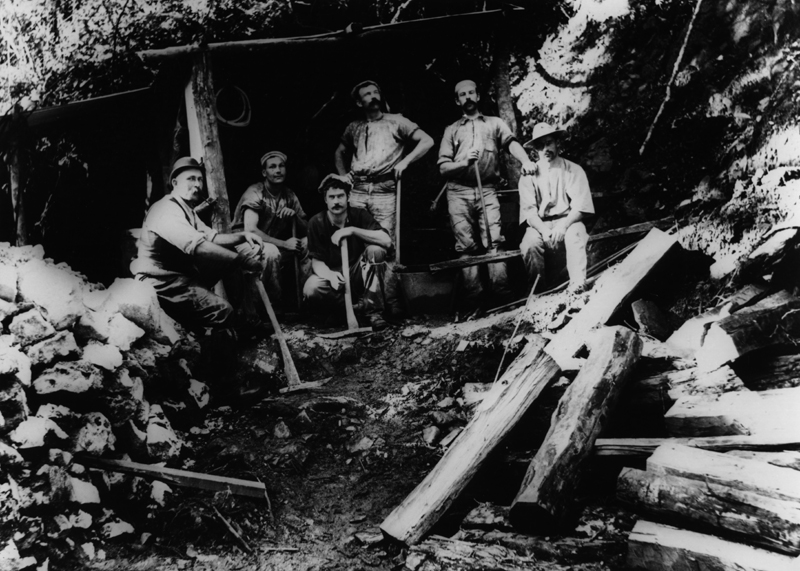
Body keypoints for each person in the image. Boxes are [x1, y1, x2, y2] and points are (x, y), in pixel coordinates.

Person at [334, 80, 433, 318]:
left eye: (375, 91)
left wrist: (405, 162)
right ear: (359, 102)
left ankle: (389, 302)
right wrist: (342, 177)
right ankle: (363, 303)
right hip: (357, 190)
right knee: (356, 243)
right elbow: (339, 152)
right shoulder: (354, 127)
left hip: (385, 189)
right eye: (367, 94)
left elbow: (427, 141)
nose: (373, 96)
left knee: (385, 246)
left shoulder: (397, 121)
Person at [131, 157, 265, 333]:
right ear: (175, 183)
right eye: (191, 179)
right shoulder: (166, 210)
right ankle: (210, 330)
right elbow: (200, 248)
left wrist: (243, 236)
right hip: (162, 284)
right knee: (223, 312)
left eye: (200, 179)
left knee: (228, 253)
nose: (197, 184)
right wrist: (243, 260)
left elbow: (212, 238)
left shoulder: (187, 210)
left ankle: (245, 317)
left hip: (182, 276)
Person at [438, 79, 537, 310]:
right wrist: (464, 162)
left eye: (471, 92)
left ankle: (502, 296)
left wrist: (525, 160)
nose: (468, 97)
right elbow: (443, 168)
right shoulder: (451, 130)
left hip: (488, 190)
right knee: (466, 247)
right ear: (457, 100)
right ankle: (474, 300)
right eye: (463, 94)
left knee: (495, 242)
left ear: (478, 96)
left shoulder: (494, 123)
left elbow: (512, 143)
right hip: (458, 192)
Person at [303, 174, 394, 327]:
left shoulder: (359, 215)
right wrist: (330, 276)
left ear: (348, 197)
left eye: (340, 196)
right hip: (334, 279)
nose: (336, 201)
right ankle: (342, 311)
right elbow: (317, 262)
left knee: (376, 251)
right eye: (331, 197)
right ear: (325, 199)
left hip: (357, 275)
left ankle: (373, 312)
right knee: (311, 288)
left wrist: (352, 230)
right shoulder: (316, 222)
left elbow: (386, 240)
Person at [518, 123, 595, 293]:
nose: (545, 149)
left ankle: (577, 284)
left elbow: (581, 206)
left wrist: (563, 225)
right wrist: (544, 231)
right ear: (534, 150)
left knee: (575, 233)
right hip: (540, 224)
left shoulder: (573, 170)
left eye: (549, 143)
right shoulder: (528, 177)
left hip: (567, 220)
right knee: (529, 243)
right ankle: (538, 292)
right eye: (540, 145)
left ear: (557, 143)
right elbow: (529, 213)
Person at [232, 151, 311, 309]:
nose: (278, 170)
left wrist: (295, 217)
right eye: (272, 167)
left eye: (281, 166)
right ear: (264, 172)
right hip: (243, 243)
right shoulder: (255, 192)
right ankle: (268, 309)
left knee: (307, 243)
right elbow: (251, 231)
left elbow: (307, 228)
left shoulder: (288, 195)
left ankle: (305, 299)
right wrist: (283, 243)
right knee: (271, 252)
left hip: (271, 243)